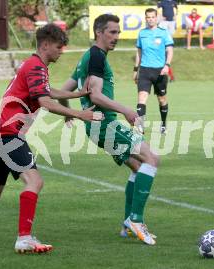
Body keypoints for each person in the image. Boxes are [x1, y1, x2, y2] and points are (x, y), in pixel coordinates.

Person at [0, 24, 104, 253]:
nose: (61, 51)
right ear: (45, 45)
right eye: (58, 47)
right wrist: (80, 114)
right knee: (34, 182)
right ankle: (24, 238)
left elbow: (48, 92)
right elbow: (45, 102)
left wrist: (76, 94)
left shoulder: (34, 65)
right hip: (9, 134)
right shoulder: (36, 67)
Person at [59, 14, 161, 245]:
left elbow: (65, 90)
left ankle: (128, 223)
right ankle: (136, 219)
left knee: (137, 166)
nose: (116, 37)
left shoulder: (88, 56)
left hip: (95, 127)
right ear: (99, 32)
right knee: (152, 159)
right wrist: (127, 110)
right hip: (104, 125)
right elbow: (95, 95)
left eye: (118, 32)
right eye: (112, 32)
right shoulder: (96, 56)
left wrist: (68, 114)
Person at [133, 8, 174, 135]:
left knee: (162, 99)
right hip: (145, 70)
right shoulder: (142, 33)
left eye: (152, 17)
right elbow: (139, 52)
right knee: (142, 98)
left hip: (159, 71)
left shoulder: (164, 33)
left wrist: (167, 65)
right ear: (145, 18)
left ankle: (163, 124)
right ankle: (140, 127)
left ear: (157, 18)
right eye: (148, 17)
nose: (150, 19)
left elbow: (170, 50)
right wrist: (136, 69)